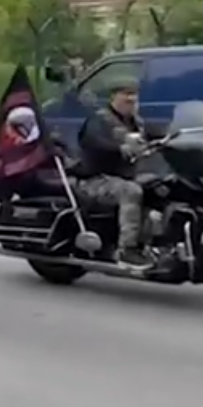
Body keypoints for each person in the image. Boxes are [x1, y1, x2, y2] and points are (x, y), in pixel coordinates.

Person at [75, 76, 156, 268]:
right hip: (95, 179)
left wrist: (178, 137)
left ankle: (153, 243)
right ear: (113, 97)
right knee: (131, 191)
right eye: (126, 94)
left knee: (159, 185)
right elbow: (91, 141)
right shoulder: (99, 120)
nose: (131, 99)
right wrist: (118, 148)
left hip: (123, 177)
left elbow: (156, 133)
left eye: (134, 94)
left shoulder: (137, 122)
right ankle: (127, 250)